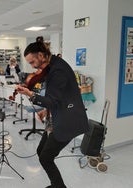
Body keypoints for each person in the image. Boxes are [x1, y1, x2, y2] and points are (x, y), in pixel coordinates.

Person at [16, 42, 89, 188]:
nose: (32, 66)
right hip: (57, 116)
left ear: (41, 55)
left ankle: (59, 186)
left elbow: (51, 100)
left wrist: (31, 94)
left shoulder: (58, 71)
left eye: (33, 62)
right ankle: (56, 185)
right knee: (41, 151)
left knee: (46, 158)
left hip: (68, 121)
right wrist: (45, 111)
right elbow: (58, 97)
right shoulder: (53, 65)